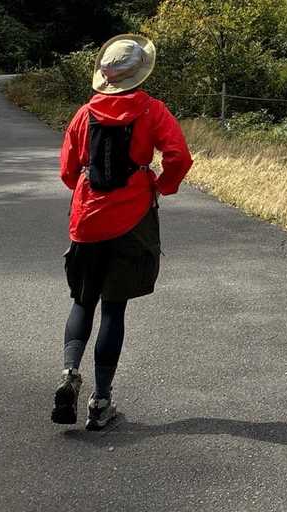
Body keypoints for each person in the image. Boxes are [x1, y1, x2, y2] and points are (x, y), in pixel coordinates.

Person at [53, 34, 192, 431]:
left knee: (82, 300)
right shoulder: (151, 109)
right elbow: (179, 156)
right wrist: (161, 185)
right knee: (113, 308)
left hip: (87, 218)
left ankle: (69, 373)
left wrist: (87, 193)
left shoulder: (85, 113)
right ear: (139, 75)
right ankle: (100, 402)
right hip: (131, 219)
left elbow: (68, 170)